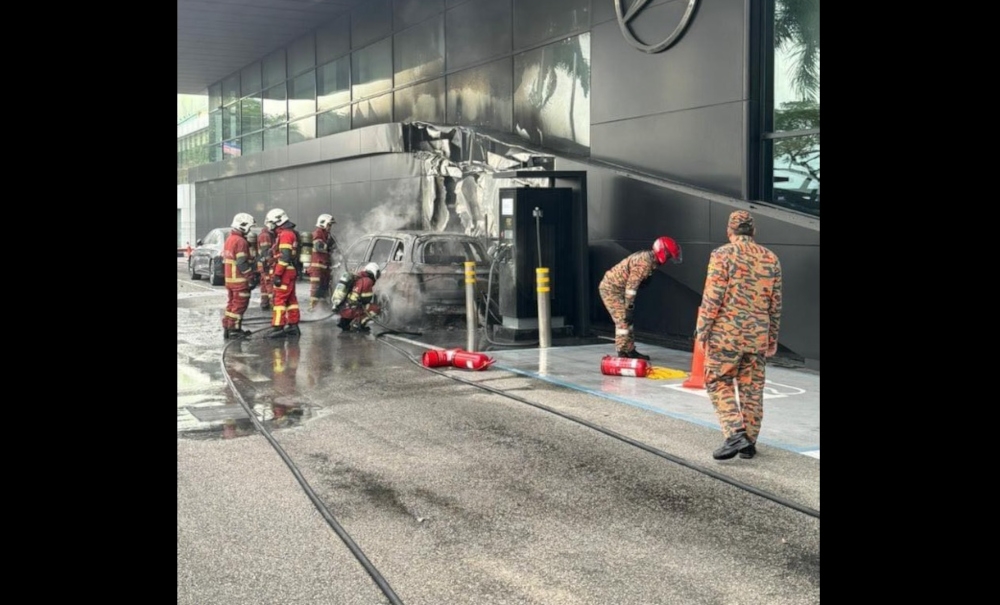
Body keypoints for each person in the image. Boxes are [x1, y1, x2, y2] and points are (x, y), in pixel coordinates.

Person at [695, 210, 783, 461]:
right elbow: (775, 304)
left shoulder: (721, 255)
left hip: (726, 334)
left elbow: (713, 296)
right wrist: (772, 338)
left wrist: (702, 330)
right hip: (757, 336)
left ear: (729, 231)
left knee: (717, 380)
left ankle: (735, 434)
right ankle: (749, 443)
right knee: (752, 388)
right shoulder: (771, 258)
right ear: (753, 231)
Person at [598, 236, 682, 360]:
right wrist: (629, 307)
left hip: (618, 288)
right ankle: (622, 352)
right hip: (611, 289)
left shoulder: (650, 259)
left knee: (628, 321)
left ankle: (630, 350)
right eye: (669, 256)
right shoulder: (645, 262)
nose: (669, 259)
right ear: (663, 253)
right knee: (623, 319)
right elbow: (631, 287)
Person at [221, 212, 260, 340]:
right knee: (239, 305)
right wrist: (250, 277)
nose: (250, 230)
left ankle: (228, 328)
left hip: (230, 280)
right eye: (249, 227)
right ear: (243, 225)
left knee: (231, 305)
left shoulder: (229, 239)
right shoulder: (240, 241)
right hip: (239, 280)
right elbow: (242, 262)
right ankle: (234, 330)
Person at [264, 208, 302, 338]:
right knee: (291, 300)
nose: (270, 226)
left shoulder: (285, 234)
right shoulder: (288, 233)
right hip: (289, 270)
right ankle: (293, 325)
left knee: (279, 300)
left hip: (284, 272)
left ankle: (278, 327)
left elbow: (285, 257)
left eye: (271, 223)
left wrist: (278, 274)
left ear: (278, 221)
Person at [307, 213, 339, 311]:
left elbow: (331, 250)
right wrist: (329, 245)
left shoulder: (327, 235)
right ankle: (313, 308)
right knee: (316, 289)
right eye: (329, 225)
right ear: (322, 223)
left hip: (325, 268)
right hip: (316, 268)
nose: (330, 227)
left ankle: (322, 309)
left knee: (324, 289)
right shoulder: (318, 233)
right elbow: (318, 246)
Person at [336, 262, 381, 332]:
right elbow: (366, 299)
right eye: (377, 274)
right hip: (352, 310)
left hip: (344, 310)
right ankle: (357, 324)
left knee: (359, 306)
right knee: (375, 309)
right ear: (373, 271)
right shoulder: (368, 281)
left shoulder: (358, 276)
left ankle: (346, 322)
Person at [256, 222, 276, 311]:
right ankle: (273, 303)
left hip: (262, 264)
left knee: (264, 283)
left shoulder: (267, 234)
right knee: (269, 282)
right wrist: (269, 262)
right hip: (266, 264)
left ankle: (264, 302)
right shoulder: (265, 236)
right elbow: (266, 252)